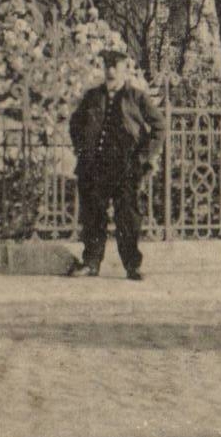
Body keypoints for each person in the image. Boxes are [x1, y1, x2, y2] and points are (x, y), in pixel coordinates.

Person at [67, 49, 164, 281]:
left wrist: (143, 157)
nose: (110, 70)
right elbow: (75, 124)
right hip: (95, 166)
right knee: (92, 216)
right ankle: (91, 262)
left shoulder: (136, 97)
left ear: (124, 69)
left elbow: (159, 127)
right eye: (107, 65)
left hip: (126, 167)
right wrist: (82, 150)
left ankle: (132, 265)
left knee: (128, 217)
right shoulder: (92, 96)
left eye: (115, 66)